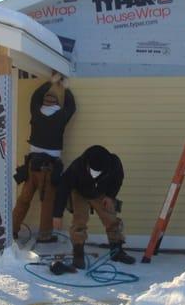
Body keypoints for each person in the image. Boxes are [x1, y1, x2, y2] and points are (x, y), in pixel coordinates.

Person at [12, 72, 75, 243]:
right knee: (47, 203)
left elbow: (35, 97)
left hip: (32, 164)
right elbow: (71, 108)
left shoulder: (36, 113)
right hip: (49, 167)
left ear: (43, 104)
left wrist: (50, 82)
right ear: (56, 104)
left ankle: (12, 229)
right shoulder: (60, 116)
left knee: (24, 199)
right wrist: (66, 89)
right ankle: (45, 235)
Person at [53, 145, 135, 269]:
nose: (95, 175)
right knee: (79, 222)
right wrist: (57, 215)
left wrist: (110, 196)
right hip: (80, 192)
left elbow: (118, 179)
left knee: (111, 219)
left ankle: (117, 252)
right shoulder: (77, 167)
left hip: (100, 193)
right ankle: (78, 255)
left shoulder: (114, 163)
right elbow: (63, 189)